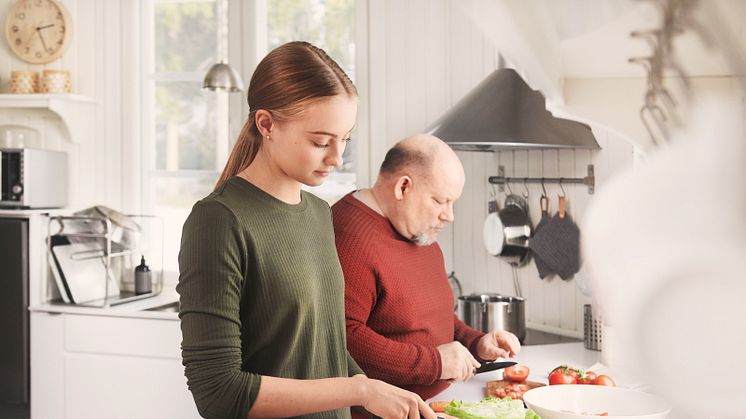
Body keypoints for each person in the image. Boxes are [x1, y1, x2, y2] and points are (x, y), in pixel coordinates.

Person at [177, 42, 436, 419]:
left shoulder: (317, 213)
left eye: (345, 138)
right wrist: (358, 389)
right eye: (320, 141)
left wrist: (379, 395)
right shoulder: (218, 220)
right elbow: (218, 392)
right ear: (266, 124)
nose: (337, 157)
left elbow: (322, 347)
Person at [332, 134, 521, 401]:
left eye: (452, 202)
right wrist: (435, 363)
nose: (449, 215)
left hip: (436, 402)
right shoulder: (350, 235)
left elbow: (428, 317)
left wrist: (476, 343)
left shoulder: (417, 231)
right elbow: (344, 338)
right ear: (403, 188)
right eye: (439, 201)